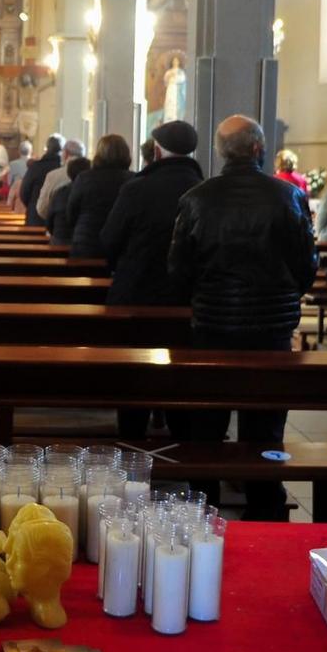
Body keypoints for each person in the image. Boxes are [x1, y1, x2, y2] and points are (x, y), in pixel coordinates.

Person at [169, 115, 318, 520]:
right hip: (271, 331)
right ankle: (265, 509)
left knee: (207, 424)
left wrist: (203, 298)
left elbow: (178, 270)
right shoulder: (287, 197)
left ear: (220, 152)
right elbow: (306, 266)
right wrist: (284, 297)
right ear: (258, 149)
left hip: (213, 327)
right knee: (266, 426)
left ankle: (204, 510)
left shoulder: (197, 198)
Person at [100, 119, 203, 440]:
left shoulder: (137, 188)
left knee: (135, 372)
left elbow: (109, 240)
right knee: (181, 373)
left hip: (137, 295)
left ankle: (132, 444)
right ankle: (182, 447)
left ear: (156, 150)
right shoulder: (205, 190)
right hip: (188, 299)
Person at [65, 133, 133, 259]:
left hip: (86, 243)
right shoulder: (133, 180)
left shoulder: (84, 178)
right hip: (122, 245)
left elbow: (71, 212)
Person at [34, 138, 85, 241]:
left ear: (65, 154)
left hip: (59, 233)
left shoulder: (53, 176)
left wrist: (54, 221)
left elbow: (42, 208)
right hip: (84, 235)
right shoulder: (91, 175)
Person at [44, 154, 89, 245]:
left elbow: (49, 220)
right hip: (82, 242)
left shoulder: (60, 192)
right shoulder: (90, 192)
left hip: (60, 240)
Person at [19, 134, 64, 224]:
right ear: (62, 150)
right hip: (58, 219)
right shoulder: (63, 168)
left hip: (35, 216)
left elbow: (24, 192)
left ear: (46, 148)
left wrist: (32, 205)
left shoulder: (36, 167)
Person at [4, 139, 33, 210]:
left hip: (18, 197)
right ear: (31, 151)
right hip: (32, 198)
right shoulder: (36, 164)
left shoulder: (13, 164)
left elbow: (9, 182)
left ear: (19, 152)